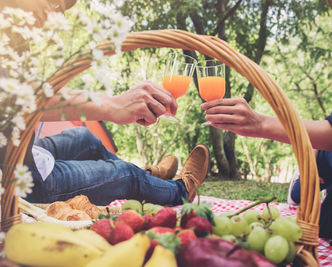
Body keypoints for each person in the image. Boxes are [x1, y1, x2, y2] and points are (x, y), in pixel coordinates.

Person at [201, 0, 332, 247]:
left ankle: (314, 163)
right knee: (307, 185)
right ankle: (315, 161)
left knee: (316, 194)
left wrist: (261, 124)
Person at [0, 0, 210, 206]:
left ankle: (149, 177)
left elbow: (28, 88)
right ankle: (181, 190)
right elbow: (16, 97)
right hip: (18, 180)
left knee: (84, 137)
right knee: (125, 175)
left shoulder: (14, 33)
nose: (53, 13)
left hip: (23, 153)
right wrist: (113, 105)